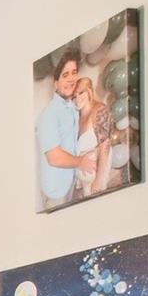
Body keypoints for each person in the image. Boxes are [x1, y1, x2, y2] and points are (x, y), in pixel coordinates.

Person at [37, 50, 86, 207]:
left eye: (74, 73)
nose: (71, 79)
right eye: (65, 75)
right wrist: (81, 162)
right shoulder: (49, 114)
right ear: (56, 82)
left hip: (73, 186)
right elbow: (54, 157)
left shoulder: (74, 107)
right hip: (56, 194)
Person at [72, 76, 114, 197]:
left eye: (81, 93)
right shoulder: (77, 117)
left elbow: (105, 146)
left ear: (89, 91)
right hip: (83, 177)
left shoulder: (100, 110)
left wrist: (99, 180)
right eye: (74, 96)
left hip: (97, 175)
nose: (77, 98)